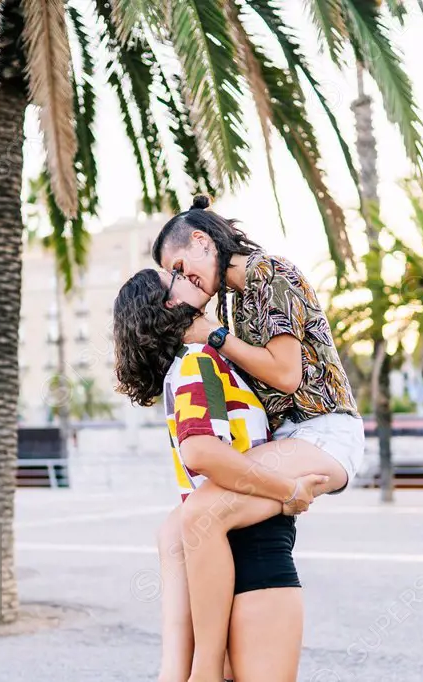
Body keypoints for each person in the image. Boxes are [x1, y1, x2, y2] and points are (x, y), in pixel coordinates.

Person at [152, 195, 365, 682]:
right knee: (174, 531)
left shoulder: (269, 273)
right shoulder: (236, 299)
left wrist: (214, 336)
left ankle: (203, 671)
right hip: (293, 437)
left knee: (203, 515)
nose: (185, 283)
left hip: (324, 432)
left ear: (203, 241)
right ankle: (180, 668)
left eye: (182, 268)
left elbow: (288, 376)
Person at [113, 268, 326, 682]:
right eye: (173, 277)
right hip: (255, 553)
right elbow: (202, 451)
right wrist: (289, 491)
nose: (185, 274)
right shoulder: (198, 361)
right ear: (170, 303)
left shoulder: (188, 364)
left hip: (219, 558)